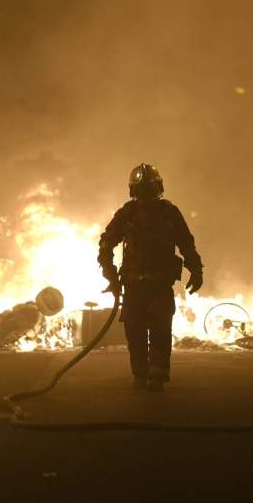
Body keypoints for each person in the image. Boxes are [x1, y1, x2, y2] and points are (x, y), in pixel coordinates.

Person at [98, 163, 203, 392]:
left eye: (150, 189)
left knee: (159, 327)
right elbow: (107, 242)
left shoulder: (169, 213)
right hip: (135, 283)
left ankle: (155, 375)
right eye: (143, 190)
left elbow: (186, 243)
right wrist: (110, 274)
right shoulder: (127, 214)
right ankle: (141, 373)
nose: (146, 195)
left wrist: (196, 269)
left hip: (160, 283)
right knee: (136, 330)